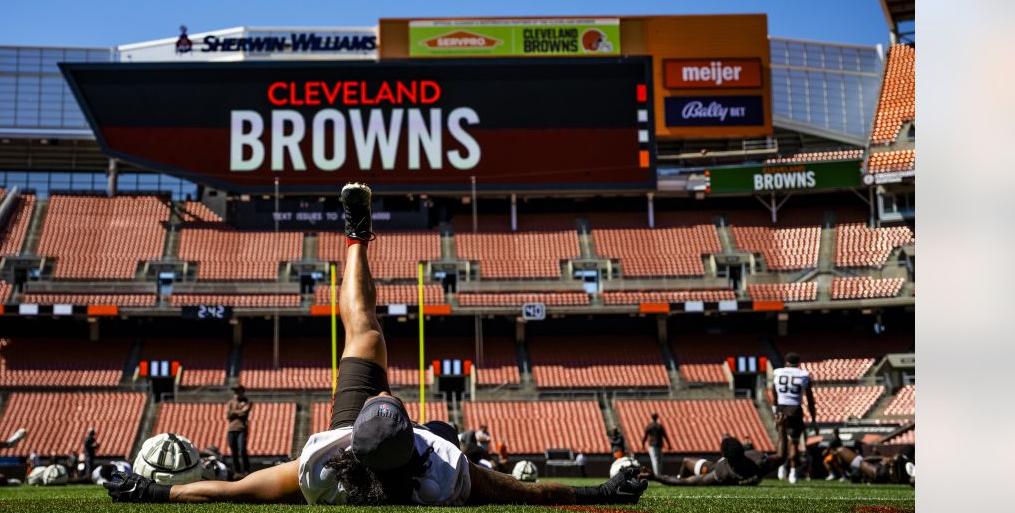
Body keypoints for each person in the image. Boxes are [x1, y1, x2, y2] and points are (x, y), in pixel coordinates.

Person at [105, 183, 648, 505]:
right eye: (389, 404)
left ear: (353, 438)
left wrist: (146, 493)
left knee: (363, 332)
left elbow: (231, 491)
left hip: (366, 449)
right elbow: (527, 493)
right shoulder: (443, 470)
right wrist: (602, 493)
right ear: (414, 439)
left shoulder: (322, 465)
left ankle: (355, 238)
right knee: (442, 420)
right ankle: (359, 237)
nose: (383, 395)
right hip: (412, 452)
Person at [642, 435, 784, 486]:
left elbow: (685, 482)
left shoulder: (721, 473)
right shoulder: (758, 461)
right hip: (716, 466)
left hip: (711, 467)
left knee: (686, 461)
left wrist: (655, 477)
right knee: (687, 463)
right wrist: (782, 428)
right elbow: (781, 456)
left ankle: (680, 472)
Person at [771, 352, 817, 484]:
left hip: (781, 408)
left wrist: (775, 409)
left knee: (781, 438)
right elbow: (810, 399)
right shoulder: (804, 375)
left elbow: (774, 392)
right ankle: (793, 472)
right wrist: (813, 418)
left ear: (786, 362)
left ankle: (781, 467)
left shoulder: (778, 372)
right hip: (795, 408)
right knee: (794, 443)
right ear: (798, 363)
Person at [226, 384, 253, 478]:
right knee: (233, 451)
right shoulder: (230, 402)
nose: (236, 393)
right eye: (235, 391)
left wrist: (234, 412)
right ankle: (236, 471)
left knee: (242, 449)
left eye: (237, 391)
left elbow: (244, 413)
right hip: (231, 429)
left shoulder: (247, 402)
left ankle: (246, 469)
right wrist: (239, 411)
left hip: (241, 429)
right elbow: (228, 415)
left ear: (242, 392)